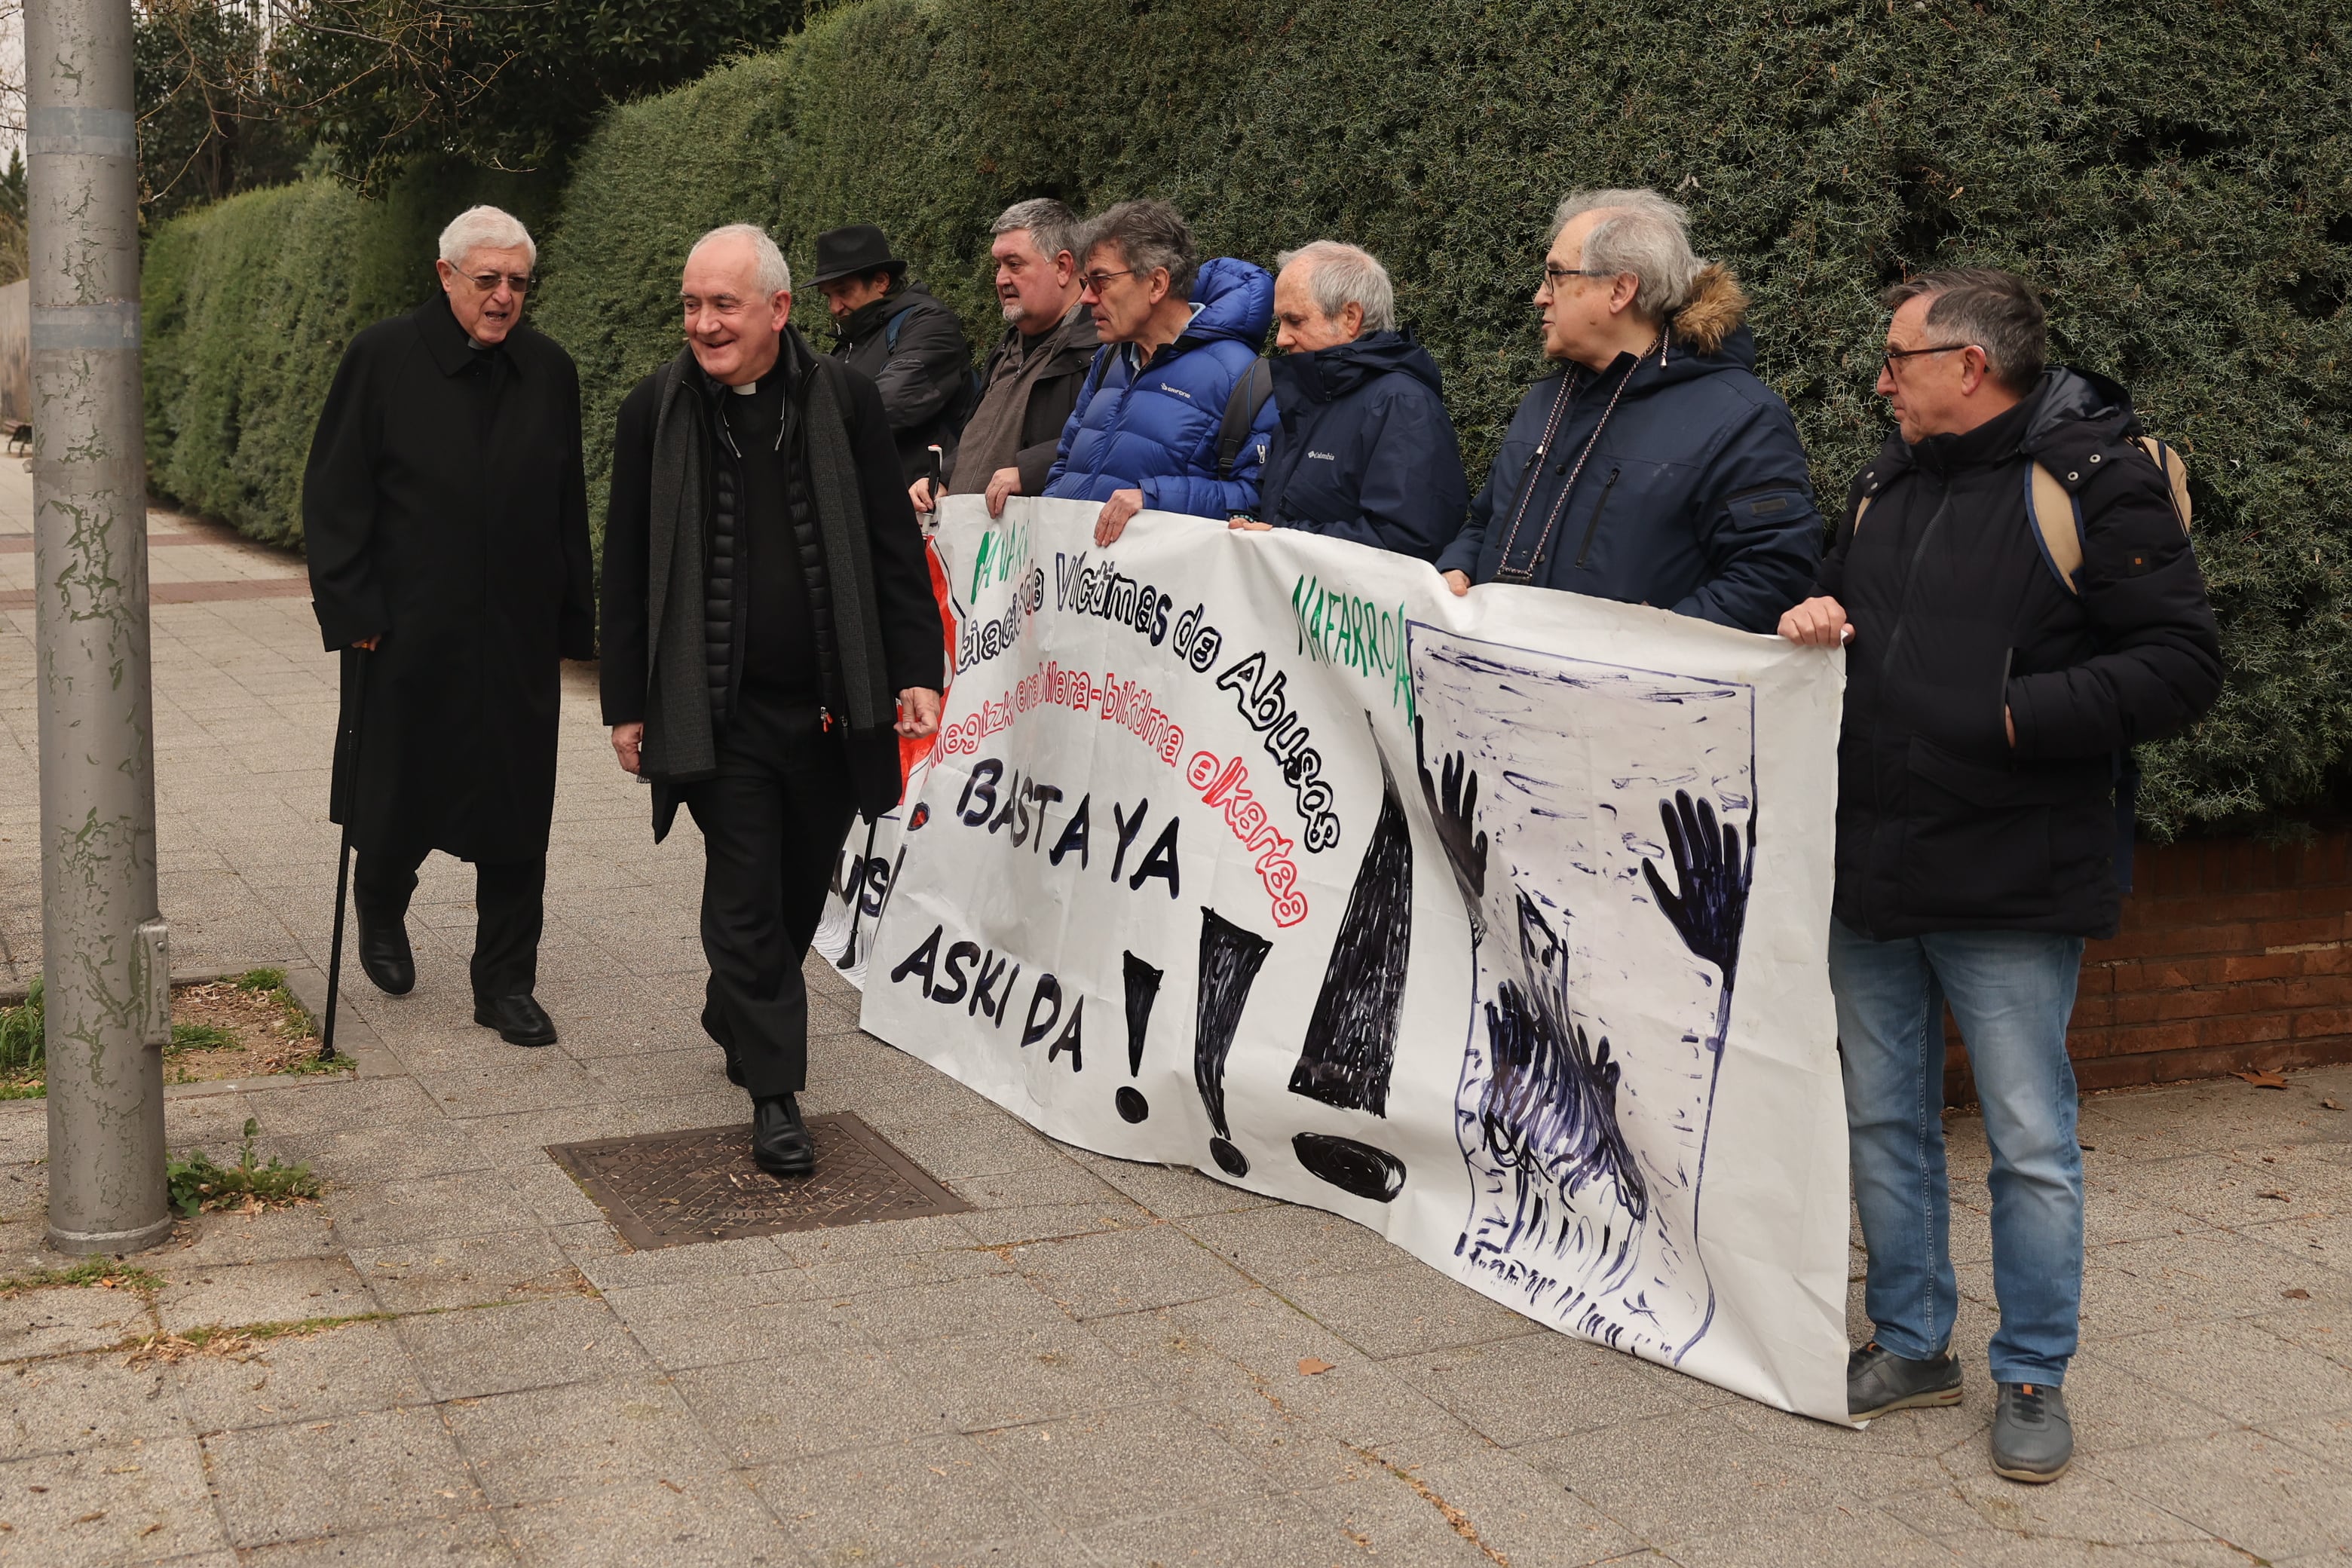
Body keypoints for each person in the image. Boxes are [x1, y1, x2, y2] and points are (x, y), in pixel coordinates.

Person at [1780, 269, 2221, 1482]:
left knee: (2029, 1137)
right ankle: (1915, 1345)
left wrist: (2009, 717)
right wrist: (1807, 609)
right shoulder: (1881, 482)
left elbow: (2182, 666)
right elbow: (1833, 602)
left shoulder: (2094, 481)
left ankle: (2033, 1371)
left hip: (2016, 879)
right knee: (1884, 1117)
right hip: (1873, 865)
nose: (1880, 380)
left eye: (1897, 357)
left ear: (1967, 367)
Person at [601, 224, 943, 1177]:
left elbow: (889, 546)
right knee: (746, 888)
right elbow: (626, 566)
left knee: (799, 889)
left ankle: (735, 1005)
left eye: (723, 305)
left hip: (835, 704)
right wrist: (626, 700)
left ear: (779, 310)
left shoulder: (845, 403)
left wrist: (919, 669)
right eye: (691, 304)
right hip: (718, 711)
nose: (703, 324)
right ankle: (777, 1096)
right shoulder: (652, 412)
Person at [303, 206, 593, 1049]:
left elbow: (566, 499)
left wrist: (573, 617)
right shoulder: (382, 358)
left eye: (517, 284)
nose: (504, 298)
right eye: (487, 280)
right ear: (445, 276)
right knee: (397, 795)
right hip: (403, 630)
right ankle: (381, 898)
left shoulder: (550, 369)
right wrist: (352, 607)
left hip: (514, 635)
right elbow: (336, 492)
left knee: (516, 807)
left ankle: (504, 983)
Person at [1436, 189, 1818, 631]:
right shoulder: (1545, 399)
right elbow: (1487, 519)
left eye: (1556, 275)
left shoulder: (1742, 419)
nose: (1541, 296)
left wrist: (1640, 646)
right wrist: (1460, 566)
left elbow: (1772, 575)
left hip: (1633, 694)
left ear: (1620, 289)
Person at [1042, 199, 1279, 547]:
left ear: (1156, 284)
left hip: (1156, 596)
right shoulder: (1109, 360)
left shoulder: (1244, 378)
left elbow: (1254, 499)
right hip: (1071, 585)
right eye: (1085, 283)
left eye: (1101, 281)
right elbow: (1064, 466)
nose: (1087, 299)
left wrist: (1153, 498)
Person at [1229, 240, 1466, 559]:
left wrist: (1283, 541)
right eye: (1279, 322)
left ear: (1350, 317)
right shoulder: (1310, 395)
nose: (1281, 339)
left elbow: (1409, 544)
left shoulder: (1402, 404)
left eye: (1295, 320)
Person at [911, 198, 1098, 521]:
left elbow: (1108, 443)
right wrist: (942, 479)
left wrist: (1030, 470)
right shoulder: (1008, 346)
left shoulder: (1100, 348)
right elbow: (986, 439)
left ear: (1064, 267)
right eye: (998, 266)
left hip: (1039, 556)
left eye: (1014, 264)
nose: (1001, 279)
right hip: (977, 552)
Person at [813, 223, 972, 485]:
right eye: (827, 296)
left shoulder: (929, 322)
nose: (834, 307)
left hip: (924, 502)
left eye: (843, 291)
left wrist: (812, 425)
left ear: (881, 282)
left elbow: (891, 401)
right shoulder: (847, 344)